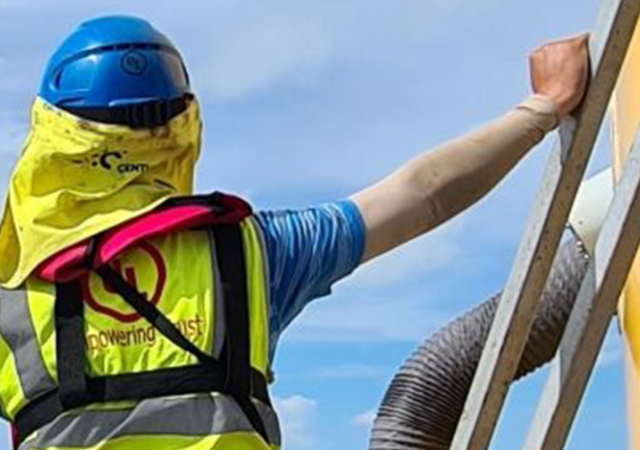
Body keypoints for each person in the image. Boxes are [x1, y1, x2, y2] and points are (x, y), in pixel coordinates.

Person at [0, 15, 588, 450]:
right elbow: (421, 195)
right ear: (182, 126)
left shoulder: (11, 290)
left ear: (55, 134)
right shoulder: (254, 250)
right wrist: (543, 106)